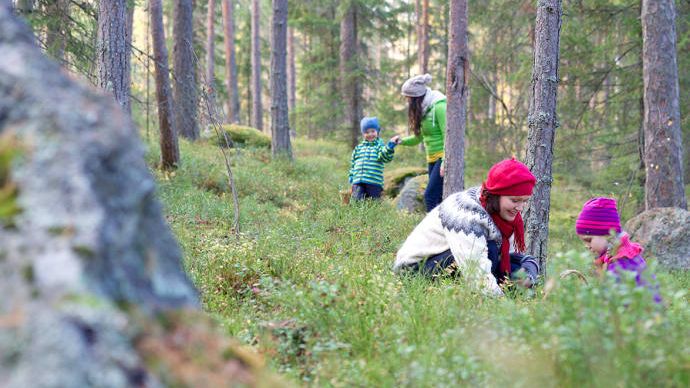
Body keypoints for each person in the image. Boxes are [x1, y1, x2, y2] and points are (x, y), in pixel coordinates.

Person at [393, 158, 539, 295]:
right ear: (496, 194)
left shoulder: (500, 210)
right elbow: (476, 275)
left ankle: (513, 291)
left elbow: (511, 255)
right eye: (515, 200)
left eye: (525, 200)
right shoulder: (466, 215)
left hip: (452, 258)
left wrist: (529, 271)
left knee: (518, 267)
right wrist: (503, 309)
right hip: (414, 270)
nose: (520, 207)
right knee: (491, 250)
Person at [575, 197, 661, 302]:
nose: (586, 246)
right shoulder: (620, 254)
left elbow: (616, 302)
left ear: (608, 235)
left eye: (589, 240)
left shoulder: (621, 264)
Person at [397, 73, 446, 212]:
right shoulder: (424, 109)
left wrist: (445, 161)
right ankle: (441, 229)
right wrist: (401, 141)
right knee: (437, 197)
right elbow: (418, 137)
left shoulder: (439, 106)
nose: (407, 101)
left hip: (442, 158)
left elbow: (448, 136)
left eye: (408, 98)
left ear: (416, 97)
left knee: (430, 196)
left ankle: (432, 230)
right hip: (431, 159)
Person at [348, 117, 400, 201]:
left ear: (377, 132)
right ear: (363, 134)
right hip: (358, 181)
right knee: (356, 201)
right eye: (367, 132)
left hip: (374, 182)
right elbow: (353, 164)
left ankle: (374, 213)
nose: (370, 134)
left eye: (373, 131)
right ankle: (358, 214)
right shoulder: (358, 148)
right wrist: (351, 176)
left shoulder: (379, 147)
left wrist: (390, 146)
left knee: (373, 203)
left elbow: (385, 157)